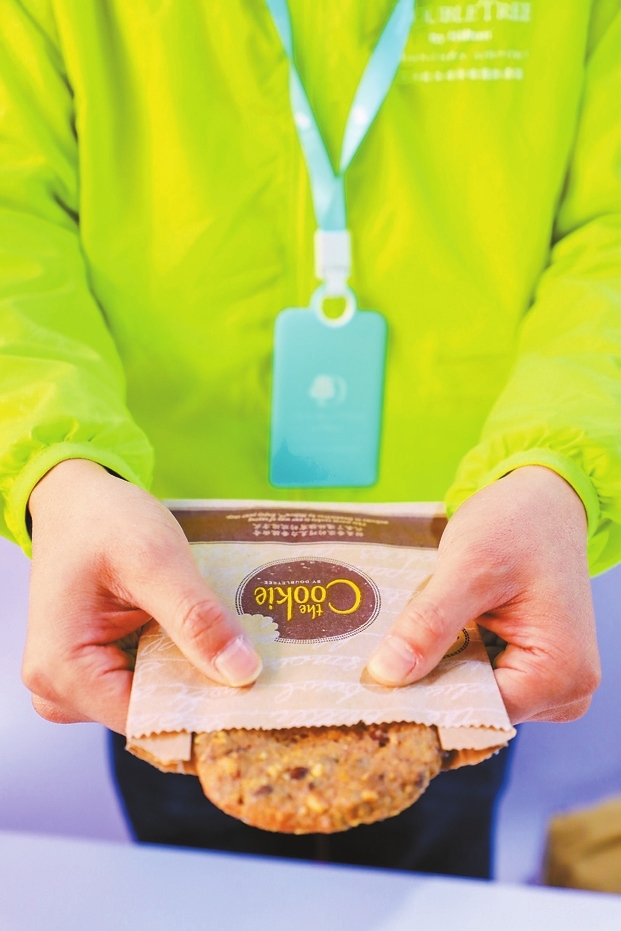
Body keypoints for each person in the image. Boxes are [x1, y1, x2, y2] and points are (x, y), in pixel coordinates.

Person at [1, 0, 619, 876]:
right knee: (200, 883)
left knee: (431, 878)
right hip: (164, 577)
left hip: (461, 571)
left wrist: (562, 469)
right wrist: (57, 468)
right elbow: (13, 220)